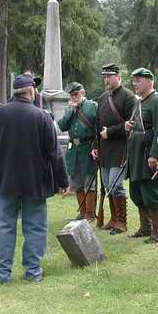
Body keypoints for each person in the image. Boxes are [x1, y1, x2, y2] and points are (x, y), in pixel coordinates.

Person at [0, 74, 69, 283]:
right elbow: (54, 153)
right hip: (35, 182)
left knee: (4, 226)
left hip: (7, 181)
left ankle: (1, 275)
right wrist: (63, 181)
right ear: (30, 91)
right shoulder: (42, 116)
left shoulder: (0, 112)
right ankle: (33, 272)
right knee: (35, 227)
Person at [91, 63, 136, 234]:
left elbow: (131, 124)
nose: (106, 79)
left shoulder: (128, 97)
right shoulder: (102, 98)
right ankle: (113, 219)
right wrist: (95, 146)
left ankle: (121, 222)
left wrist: (109, 132)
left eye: (110, 76)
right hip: (104, 149)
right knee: (107, 186)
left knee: (115, 185)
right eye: (105, 77)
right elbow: (97, 124)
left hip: (120, 148)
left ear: (118, 77)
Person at [125, 68, 158, 243]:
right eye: (134, 80)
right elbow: (137, 124)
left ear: (150, 81)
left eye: (139, 80)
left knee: (150, 192)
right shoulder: (139, 102)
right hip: (135, 154)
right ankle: (145, 228)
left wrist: (154, 155)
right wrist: (128, 126)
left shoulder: (157, 101)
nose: (135, 84)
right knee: (136, 192)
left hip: (147, 154)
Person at [57, 82, 98, 221]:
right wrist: (70, 112)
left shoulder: (92, 106)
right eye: (72, 95)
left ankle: (90, 213)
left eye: (76, 94)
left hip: (87, 147)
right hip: (74, 149)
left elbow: (97, 128)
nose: (74, 97)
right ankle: (82, 211)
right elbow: (62, 126)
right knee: (77, 181)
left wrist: (95, 147)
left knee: (89, 181)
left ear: (82, 93)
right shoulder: (69, 109)